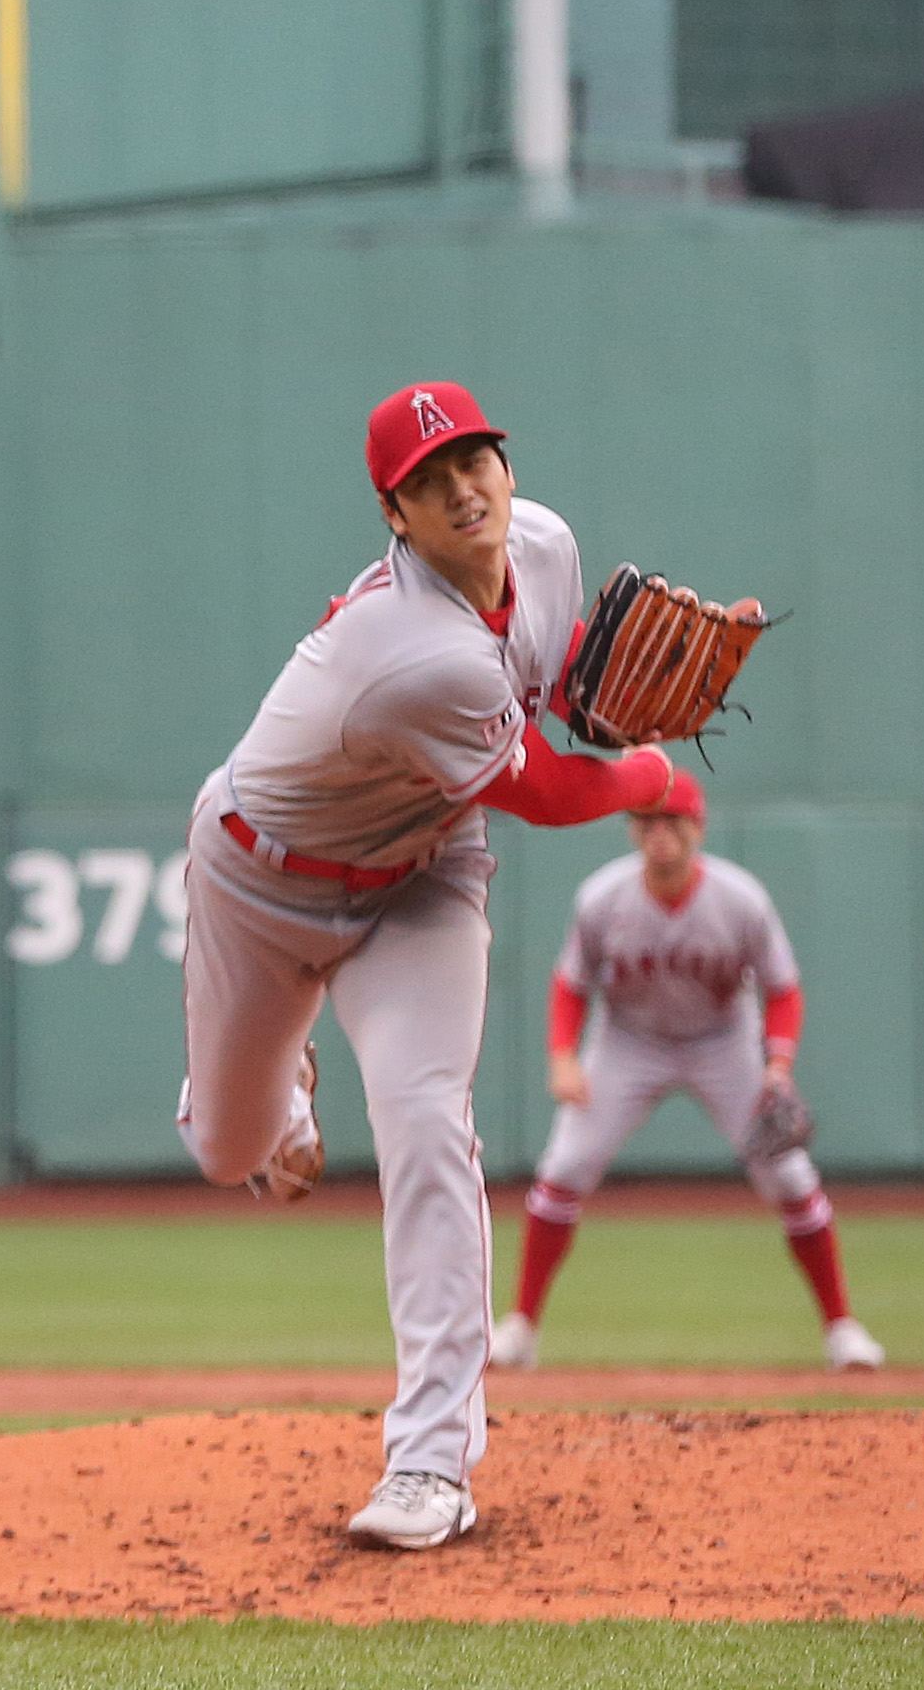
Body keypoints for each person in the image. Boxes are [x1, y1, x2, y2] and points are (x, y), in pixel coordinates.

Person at [173, 382, 685, 1552]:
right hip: (260, 883)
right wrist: (652, 775)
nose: (463, 487)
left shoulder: (544, 548)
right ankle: (270, 1085)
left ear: (506, 464)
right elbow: (552, 789)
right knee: (231, 1152)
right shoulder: (407, 650)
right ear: (393, 518)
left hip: (420, 878)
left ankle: (428, 1465)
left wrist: (604, 717)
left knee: (422, 1121)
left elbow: (552, 701)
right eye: (427, 479)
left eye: (476, 459)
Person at [494, 773, 876, 1372]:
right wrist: (563, 1057)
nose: (660, 832)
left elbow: (784, 991)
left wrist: (777, 1067)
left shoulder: (740, 899)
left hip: (722, 1043)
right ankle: (520, 1327)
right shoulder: (601, 897)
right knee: (563, 1169)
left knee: (792, 1180)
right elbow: (570, 985)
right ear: (631, 828)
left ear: (698, 828)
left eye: (673, 820)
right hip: (628, 1042)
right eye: (648, 820)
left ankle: (842, 1329)